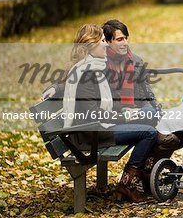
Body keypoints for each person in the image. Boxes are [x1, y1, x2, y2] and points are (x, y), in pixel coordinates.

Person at [62, 24, 157, 202]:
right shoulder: (86, 73)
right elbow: (93, 115)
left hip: (97, 128)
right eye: (103, 41)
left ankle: (142, 175)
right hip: (91, 134)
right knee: (149, 133)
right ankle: (127, 184)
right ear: (91, 46)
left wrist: (126, 111)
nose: (106, 45)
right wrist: (124, 116)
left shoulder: (92, 68)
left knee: (149, 117)